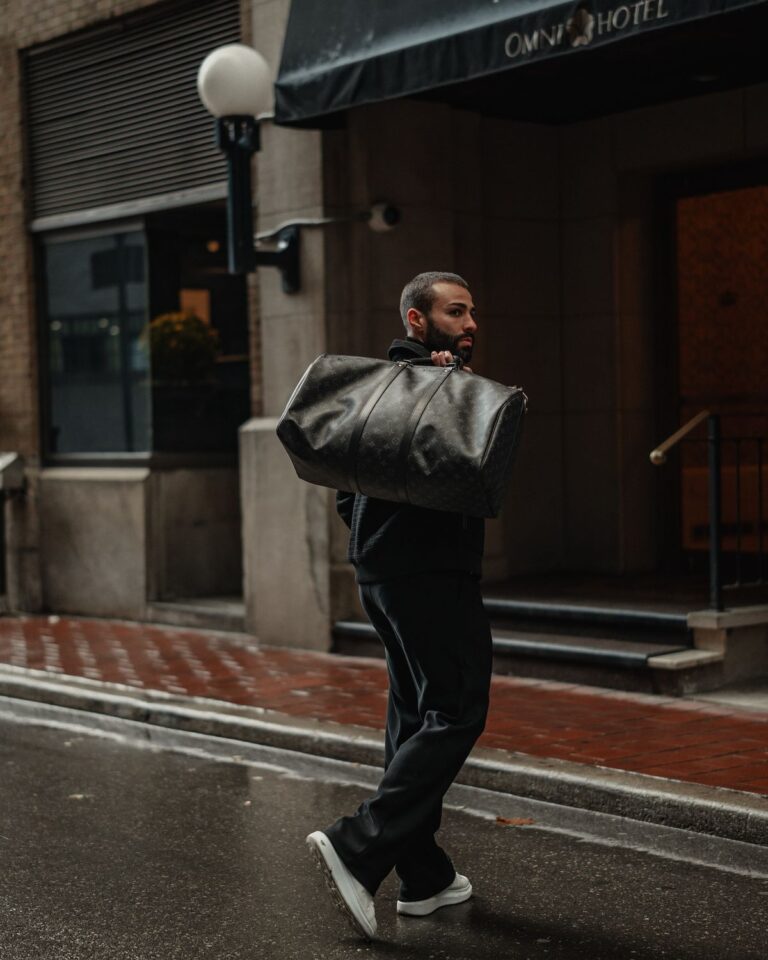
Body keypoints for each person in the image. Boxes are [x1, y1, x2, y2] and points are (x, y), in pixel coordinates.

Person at [306, 271, 493, 940]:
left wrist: (370, 543)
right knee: (458, 706)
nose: (469, 323)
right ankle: (360, 845)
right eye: (455, 311)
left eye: (472, 312)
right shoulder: (424, 381)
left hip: (382, 570)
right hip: (431, 573)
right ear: (417, 321)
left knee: (414, 712)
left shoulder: (375, 388)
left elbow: (344, 483)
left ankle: (424, 875)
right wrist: (444, 382)